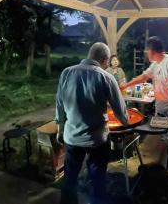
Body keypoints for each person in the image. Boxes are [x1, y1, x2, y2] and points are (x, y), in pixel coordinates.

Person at [55, 42, 129, 204]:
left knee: (70, 179)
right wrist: (126, 122)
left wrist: (60, 128)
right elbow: (120, 109)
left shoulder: (66, 73)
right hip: (96, 140)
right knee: (97, 180)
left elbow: (59, 104)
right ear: (105, 59)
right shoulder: (106, 77)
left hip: (72, 137)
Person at [120, 36, 168, 178]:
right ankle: (159, 163)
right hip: (161, 107)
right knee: (163, 136)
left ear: (152, 50)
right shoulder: (156, 63)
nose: (146, 53)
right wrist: (126, 85)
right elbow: (143, 77)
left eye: (147, 50)